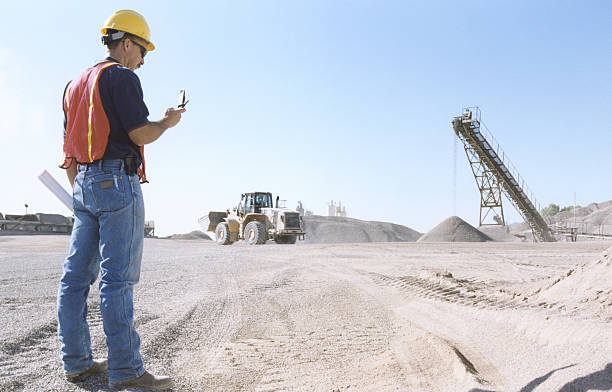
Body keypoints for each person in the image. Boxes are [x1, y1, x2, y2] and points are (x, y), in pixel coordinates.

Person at [57, 9, 185, 390]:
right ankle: (127, 372)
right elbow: (141, 134)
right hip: (117, 180)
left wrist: (83, 189)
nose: (142, 61)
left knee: (75, 279)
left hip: (82, 182)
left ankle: (77, 362)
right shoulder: (121, 77)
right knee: (117, 282)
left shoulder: (75, 84)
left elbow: (68, 150)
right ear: (127, 43)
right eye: (142, 51)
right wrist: (166, 122)